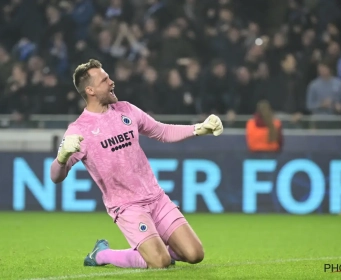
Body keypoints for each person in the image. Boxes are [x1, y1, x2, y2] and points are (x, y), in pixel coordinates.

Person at [50, 59, 223, 269]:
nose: (111, 82)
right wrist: (62, 157)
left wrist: (198, 129)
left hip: (156, 197)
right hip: (127, 206)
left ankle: (155, 250)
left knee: (195, 254)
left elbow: (162, 131)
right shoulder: (79, 129)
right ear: (90, 90)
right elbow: (55, 176)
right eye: (105, 80)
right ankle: (103, 254)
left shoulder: (126, 110)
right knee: (160, 262)